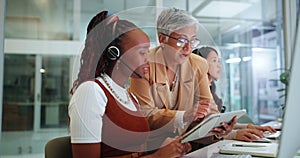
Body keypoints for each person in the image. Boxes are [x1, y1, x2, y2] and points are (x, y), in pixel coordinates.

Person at [68, 11, 191, 158]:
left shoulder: (129, 96)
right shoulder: (91, 92)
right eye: (141, 52)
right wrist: (157, 156)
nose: (148, 59)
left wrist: (170, 147)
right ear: (115, 54)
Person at [128, 7, 236, 150]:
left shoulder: (198, 64)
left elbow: (208, 107)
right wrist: (184, 116)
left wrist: (218, 126)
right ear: (162, 39)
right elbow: (145, 114)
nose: (188, 48)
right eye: (181, 40)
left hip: (185, 145)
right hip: (150, 148)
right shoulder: (142, 64)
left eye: (192, 41)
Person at [193, 46, 276, 142]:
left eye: (219, 61)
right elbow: (198, 131)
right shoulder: (193, 93)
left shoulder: (211, 89)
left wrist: (250, 127)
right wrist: (234, 134)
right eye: (214, 61)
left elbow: (219, 125)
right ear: (201, 64)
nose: (219, 65)